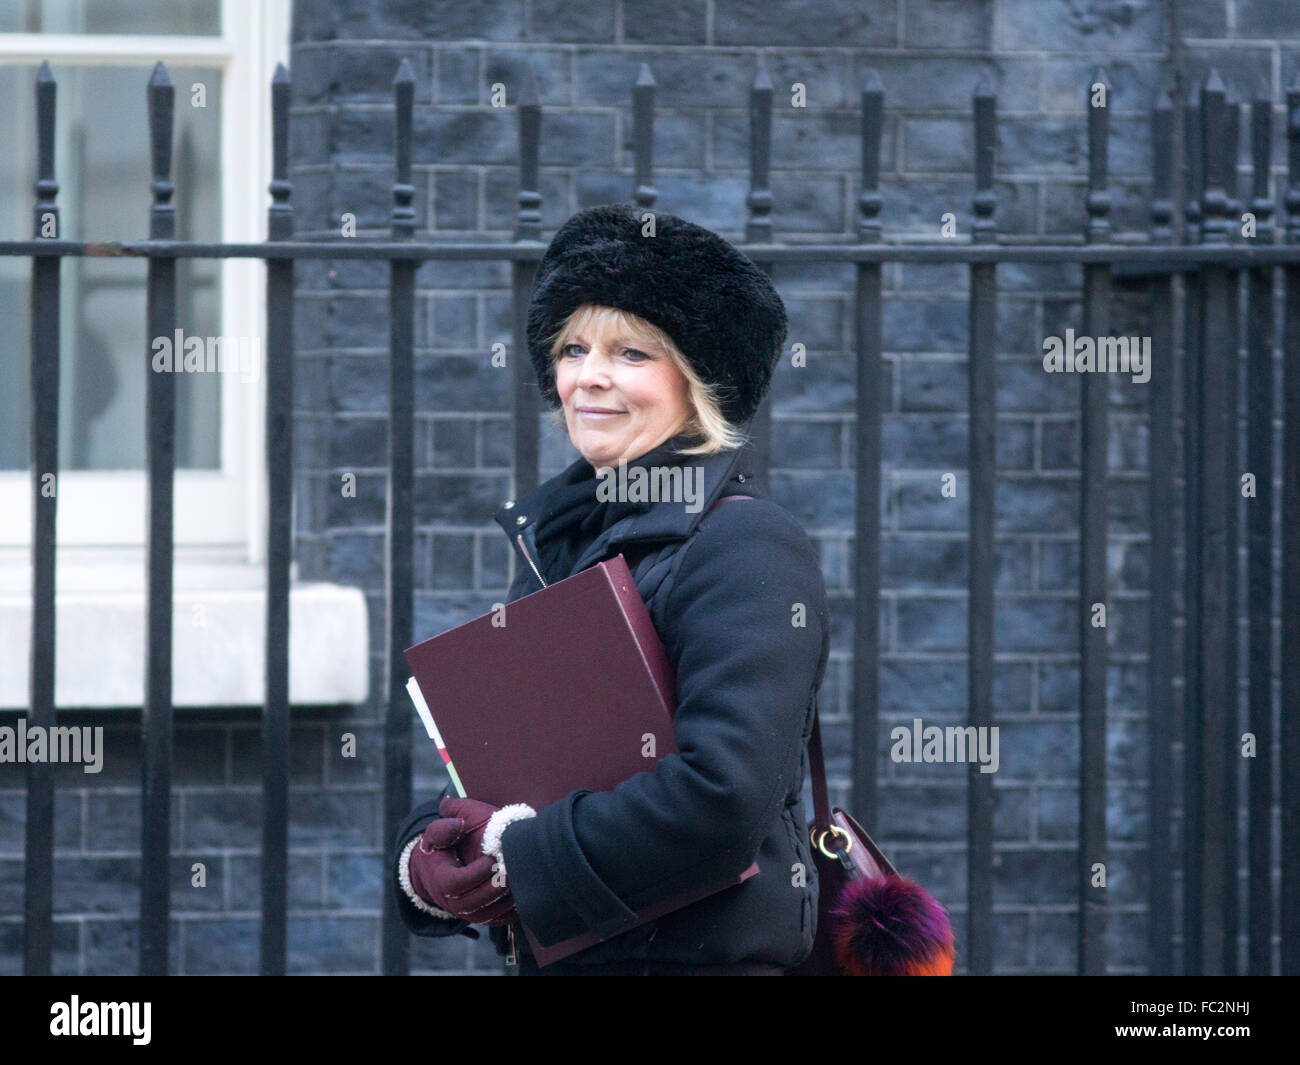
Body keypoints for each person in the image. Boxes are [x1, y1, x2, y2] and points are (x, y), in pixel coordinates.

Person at [390, 203, 830, 975]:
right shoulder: (559, 539)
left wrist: (516, 853)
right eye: (572, 348)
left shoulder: (744, 543)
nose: (588, 375)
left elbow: (720, 796)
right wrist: (430, 855)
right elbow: (508, 769)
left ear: (696, 383)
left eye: (631, 352)